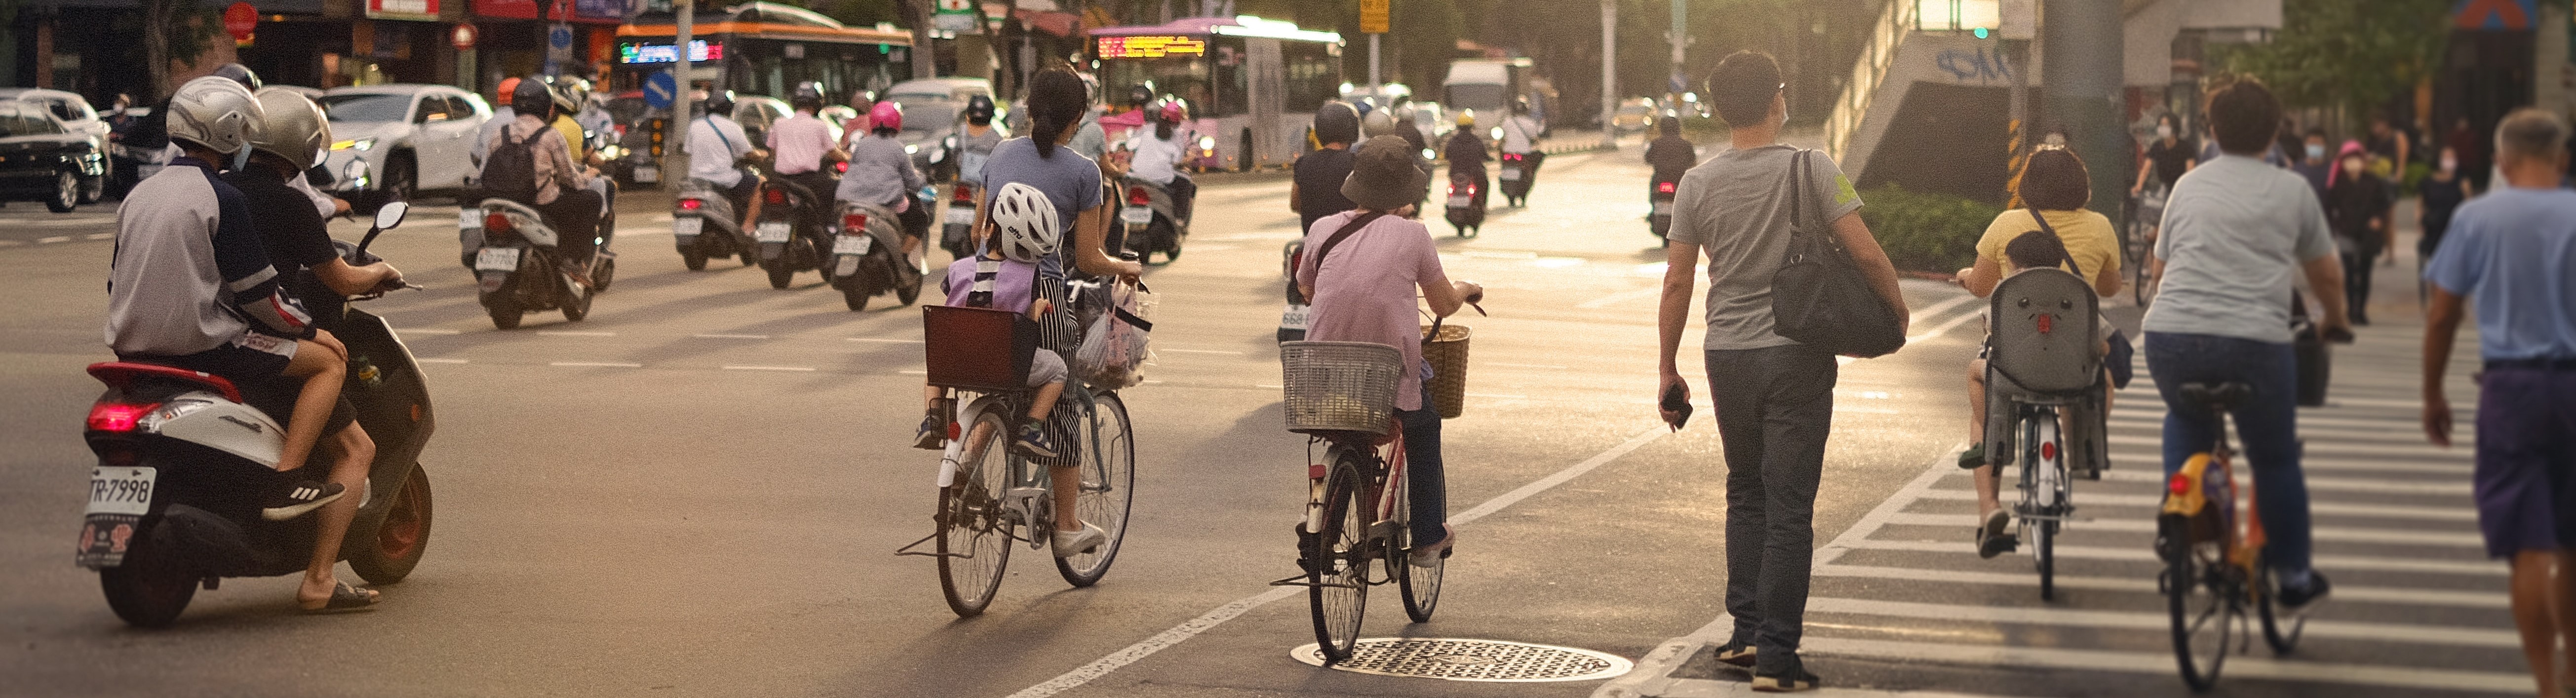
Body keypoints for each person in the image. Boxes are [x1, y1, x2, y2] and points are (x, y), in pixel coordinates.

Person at [1654, 51, 1907, 693]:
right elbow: (1868, 254)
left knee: (1746, 489)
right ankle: (1775, 656)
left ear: (1717, 109)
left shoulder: (1696, 184)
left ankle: (1744, 633)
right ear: (1778, 100)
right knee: (1789, 505)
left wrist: (1667, 368)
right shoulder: (1812, 168)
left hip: (1727, 355)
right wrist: (1896, 313)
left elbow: (1678, 279)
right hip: (1795, 352)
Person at [105, 77, 373, 611]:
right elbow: (260, 297)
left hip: (131, 352)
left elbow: (117, 280)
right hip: (205, 349)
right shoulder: (220, 198)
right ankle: (288, 480)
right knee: (329, 363)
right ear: (230, 131)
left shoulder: (141, 193)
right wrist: (310, 330)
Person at [2142, 76, 2348, 615]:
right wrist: (2335, 321)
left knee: (2186, 417)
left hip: (2170, 337)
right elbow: (2325, 275)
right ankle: (2295, 574)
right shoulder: (2292, 189)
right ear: (2276, 132)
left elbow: (2160, 270)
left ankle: (2180, 521)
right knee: (2274, 458)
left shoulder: (2188, 186)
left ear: (2211, 130)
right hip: (2255, 343)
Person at [224, 87, 407, 612]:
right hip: (265, 339)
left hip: (213, 331)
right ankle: (319, 577)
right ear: (305, 147)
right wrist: (382, 272)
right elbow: (342, 279)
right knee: (356, 449)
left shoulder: (223, 192)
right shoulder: (292, 202)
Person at [2420, 108, 2576, 698]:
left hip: (2512, 389)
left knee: (2530, 545)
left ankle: (2546, 687)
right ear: (2561, 159)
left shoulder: (2477, 217)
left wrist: (2432, 392)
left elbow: (2441, 315)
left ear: (2502, 162)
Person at [965, 66, 1142, 557]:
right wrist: (1123, 266)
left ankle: (967, 461)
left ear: (1026, 107)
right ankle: (1067, 524)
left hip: (985, 282)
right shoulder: (1085, 172)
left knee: (999, 382)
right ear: (1079, 118)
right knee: (1061, 391)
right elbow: (1087, 259)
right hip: (1041, 288)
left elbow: (978, 231)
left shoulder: (1000, 152)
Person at [1296, 135, 1478, 569]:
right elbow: (1442, 305)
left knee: (1348, 427)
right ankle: (1428, 537)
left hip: (1319, 374)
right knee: (1424, 424)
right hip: (1385, 375)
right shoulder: (1413, 236)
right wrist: (1466, 290)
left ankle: (1321, 522)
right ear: (1404, 192)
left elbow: (1307, 289)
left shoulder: (1323, 228)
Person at [1952, 147, 2122, 557]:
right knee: (2099, 380)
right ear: (2081, 185)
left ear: (2027, 184)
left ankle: (1990, 506)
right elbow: (2110, 288)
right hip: (2074, 364)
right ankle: (2080, 444)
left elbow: (1979, 286)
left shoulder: (2008, 223)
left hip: (2012, 365)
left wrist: (1963, 276)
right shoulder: (2099, 226)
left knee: (1983, 392)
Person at [919, 182, 1073, 461]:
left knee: (935, 368)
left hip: (957, 362)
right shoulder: (1029, 275)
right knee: (1058, 370)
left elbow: (954, 304)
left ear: (988, 229)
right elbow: (1022, 319)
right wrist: (1035, 311)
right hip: (1003, 366)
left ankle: (933, 417)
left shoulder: (958, 269)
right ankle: (1031, 428)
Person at [481, 77, 603, 286]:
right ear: (549, 108)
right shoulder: (551, 136)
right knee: (592, 199)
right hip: (539, 203)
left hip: (499, 202)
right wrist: (590, 175)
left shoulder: (499, 134)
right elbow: (571, 179)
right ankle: (573, 261)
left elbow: (486, 170)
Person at [834, 101, 930, 261]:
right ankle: (904, 258)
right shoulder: (898, 148)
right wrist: (924, 180)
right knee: (920, 219)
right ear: (897, 122)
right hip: (884, 204)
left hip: (852, 201)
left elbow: (853, 167)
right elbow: (912, 181)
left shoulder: (862, 145)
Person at [2325, 140, 2391, 326]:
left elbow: (2383, 205)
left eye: (2356, 159)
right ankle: (2350, 310)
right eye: (2348, 160)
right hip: (2346, 232)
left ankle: (2361, 310)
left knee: (2365, 272)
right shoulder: (2338, 183)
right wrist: (2337, 226)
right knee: (2349, 271)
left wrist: (2378, 219)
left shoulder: (2373, 182)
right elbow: (2331, 207)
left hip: (2368, 233)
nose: (2352, 163)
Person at [686, 90, 764, 233]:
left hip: (696, 179)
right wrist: (762, 155)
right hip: (724, 178)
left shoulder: (695, 126)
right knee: (760, 183)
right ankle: (748, 226)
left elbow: (689, 151)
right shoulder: (733, 127)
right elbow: (750, 154)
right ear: (729, 108)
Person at [766, 83, 846, 216]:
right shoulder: (819, 125)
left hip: (780, 180)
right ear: (818, 103)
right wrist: (848, 157)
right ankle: (830, 227)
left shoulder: (778, 123)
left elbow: (773, 153)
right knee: (838, 188)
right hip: (810, 181)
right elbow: (833, 153)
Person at [1290, 101, 1362, 234]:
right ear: (1352, 130)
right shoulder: (1358, 163)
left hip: (1313, 242)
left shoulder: (1303, 163)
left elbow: (1295, 205)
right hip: (1349, 241)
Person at [1124, 100, 1198, 227]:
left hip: (1136, 176)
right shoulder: (1177, 136)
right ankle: (1180, 219)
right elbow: (1177, 162)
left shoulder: (1145, 130)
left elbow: (1129, 146)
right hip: (1162, 179)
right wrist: (1189, 159)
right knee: (1186, 180)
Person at [2417, 145, 2473, 299]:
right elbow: (2420, 204)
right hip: (2433, 228)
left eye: (2452, 157)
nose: (2449, 161)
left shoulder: (2462, 182)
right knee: (2434, 266)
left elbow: (2469, 204)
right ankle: (2435, 299)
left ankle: (2450, 299)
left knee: (2453, 267)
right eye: (2445, 157)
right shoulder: (2428, 182)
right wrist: (2420, 223)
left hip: (2454, 229)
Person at [1499, 98, 1545, 206]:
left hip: (1508, 154)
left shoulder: (1507, 122)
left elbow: (1502, 137)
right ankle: (1523, 194)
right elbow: (1535, 139)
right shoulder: (1530, 123)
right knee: (1530, 172)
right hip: (1524, 154)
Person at [955, 95, 1006, 187]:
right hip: (986, 185)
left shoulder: (961, 132)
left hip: (964, 185)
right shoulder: (997, 138)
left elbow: (955, 159)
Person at [472, 77, 523, 169]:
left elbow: (476, 157)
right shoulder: (525, 122)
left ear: (499, 99)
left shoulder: (488, 125)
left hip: (489, 181)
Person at [1445, 110, 1490, 211]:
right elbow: (1484, 155)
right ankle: (1483, 206)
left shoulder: (1453, 141)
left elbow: (1447, 156)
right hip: (1474, 173)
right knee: (1485, 183)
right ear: (1471, 126)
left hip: (1455, 173)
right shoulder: (1476, 141)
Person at [1644, 116, 1697, 184]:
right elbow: (1692, 160)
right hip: (1680, 179)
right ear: (1678, 128)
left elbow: (1648, 159)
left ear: (1662, 128)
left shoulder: (1656, 143)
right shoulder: (1686, 144)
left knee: (1654, 187)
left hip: (1660, 178)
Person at [2449, 116, 2493, 191]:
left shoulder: (2472, 135)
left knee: (2470, 180)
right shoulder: (2454, 135)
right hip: (2459, 162)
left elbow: (2477, 148)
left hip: (2470, 163)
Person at [2290, 128, 2333, 205]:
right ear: (2305, 145)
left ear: (2325, 146)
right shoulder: (2297, 170)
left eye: (2318, 144)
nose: (2315, 147)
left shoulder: (2332, 170)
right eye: (2312, 144)